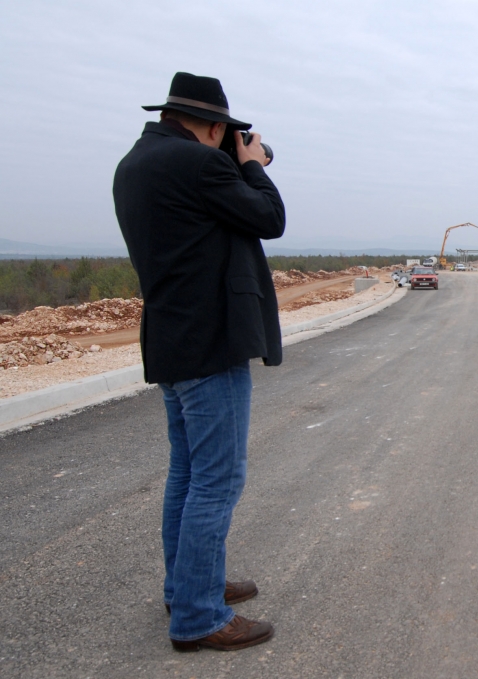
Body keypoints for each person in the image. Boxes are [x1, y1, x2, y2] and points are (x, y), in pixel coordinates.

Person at [113, 72, 284, 652]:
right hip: (211, 343)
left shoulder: (135, 164)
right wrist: (253, 164)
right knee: (217, 480)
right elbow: (269, 219)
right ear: (215, 126)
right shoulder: (201, 165)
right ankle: (199, 617)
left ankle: (187, 587)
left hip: (170, 340)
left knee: (187, 475)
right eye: (228, 133)